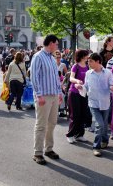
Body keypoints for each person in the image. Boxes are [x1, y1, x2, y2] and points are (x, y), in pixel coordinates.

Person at [76, 53, 113, 157]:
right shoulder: (88, 73)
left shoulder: (108, 73)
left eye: (90, 61)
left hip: (105, 103)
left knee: (104, 124)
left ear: (98, 61)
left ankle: (105, 140)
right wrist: (80, 87)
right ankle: (96, 146)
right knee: (99, 124)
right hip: (93, 103)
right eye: (88, 61)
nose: (88, 63)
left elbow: (111, 85)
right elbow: (86, 86)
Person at [30, 34, 63, 165]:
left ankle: (48, 149)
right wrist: (38, 95)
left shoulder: (51, 57)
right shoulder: (38, 56)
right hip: (43, 96)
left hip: (54, 95)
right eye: (56, 43)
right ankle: (38, 153)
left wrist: (59, 93)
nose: (57, 46)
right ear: (50, 43)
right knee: (41, 125)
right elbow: (34, 77)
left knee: (52, 123)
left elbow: (55, 77)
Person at [66, 49, 89, 144]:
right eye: (86, 55)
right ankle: (70, 135)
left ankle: (80, 135)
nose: (88, 56)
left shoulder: (87, 67)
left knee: (83, 114)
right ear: (82, 56)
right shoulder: (76, 66)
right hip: (74, 93)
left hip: (83, 93)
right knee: (75, 115)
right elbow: (71, 78)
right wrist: (77, 81)